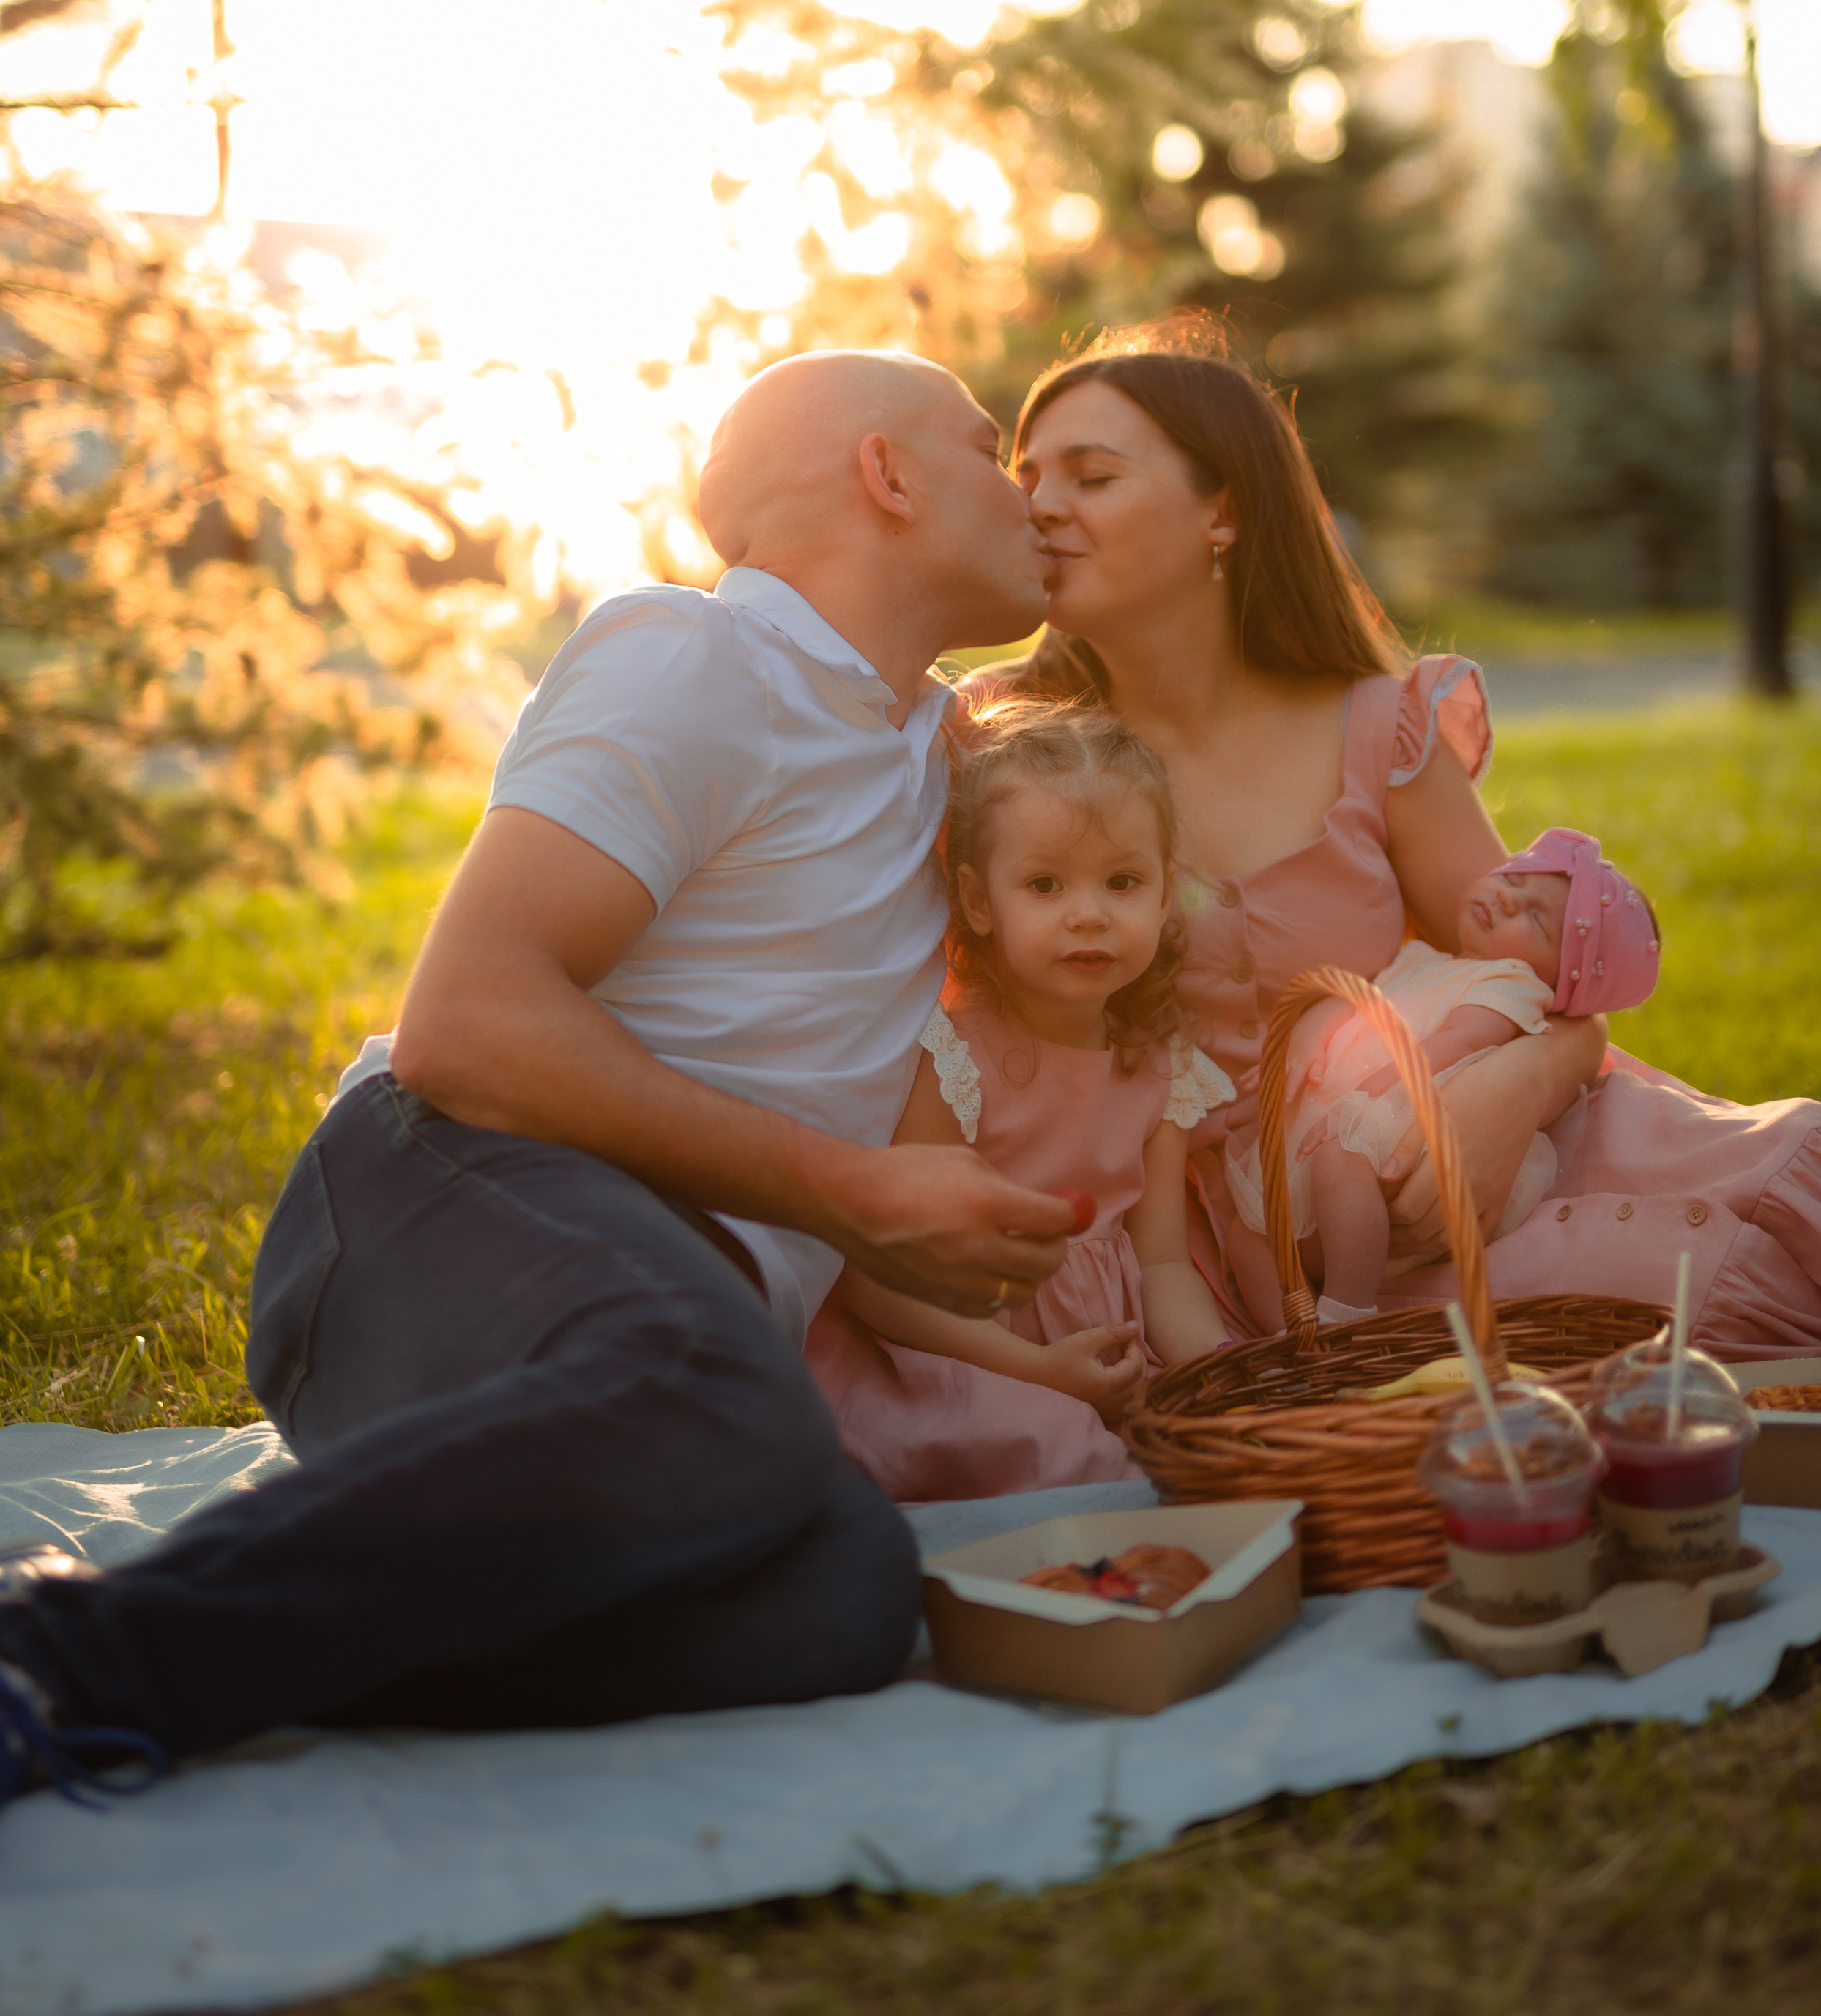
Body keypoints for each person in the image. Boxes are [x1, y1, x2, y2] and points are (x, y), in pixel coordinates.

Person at [0, 351, 1072, 1814]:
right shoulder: (694, 658)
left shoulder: (934, 749)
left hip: (633, 1358)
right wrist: (854, 1193)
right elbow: (469, 1026)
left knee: (843, 1598)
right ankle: (54, 1662)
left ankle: (268, 1636)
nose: (1025, 489)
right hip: (442, 1201)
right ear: (885, 474)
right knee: (725, 1399)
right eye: (988, 444)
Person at [1005, 329, 1821, 1364]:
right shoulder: (998, 753)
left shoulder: (1378, 727)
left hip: (1485, 1135)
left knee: (1805, 1192)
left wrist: (1510, 1095)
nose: (1040, 505)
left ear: (1224, 512)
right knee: (1673, 1307)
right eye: (1025, 479)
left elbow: (1552, 983)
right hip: (1263, 1249)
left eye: (1091, 475)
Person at [806, 706, 1232, 1500]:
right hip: (971, 1353)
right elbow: (879, 1279)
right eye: (1044, 884)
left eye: (1123, 882)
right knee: (1059, 1452)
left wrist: (1221, 1373)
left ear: (1167, 894)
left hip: (1111, 1355)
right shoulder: (954, 1061)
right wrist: (1036, 1370)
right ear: (977, 902)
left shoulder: (1161, 1068)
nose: (1089, 913)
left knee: (1204, 1451)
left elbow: (1165, 1263)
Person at [1225, 830, 1662, 1329]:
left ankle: (1348, 1311)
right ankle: (1288, 1343)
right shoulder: (1423, 959)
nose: (1507, 898)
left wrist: (1372, 1090)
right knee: (1248, 1237)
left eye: (1536, 917)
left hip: (1404, 1107)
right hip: (1338, 1116)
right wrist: (1310, 1032)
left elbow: (1456, 1042)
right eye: (1517, 881)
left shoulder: (1511, 985)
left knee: (1341, 1157)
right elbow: (1362, 999)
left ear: (1557, 979)